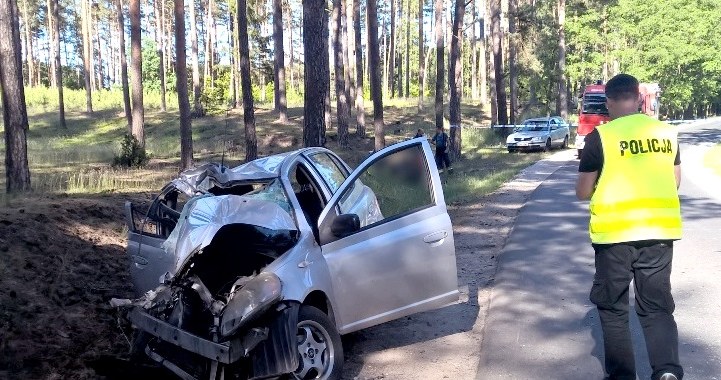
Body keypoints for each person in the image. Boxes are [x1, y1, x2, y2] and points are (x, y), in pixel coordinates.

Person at [576, 74, 683, 380]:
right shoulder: (666, 133)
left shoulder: (601, 137)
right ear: (638, 99)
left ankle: (622, 376)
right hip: (659, 234)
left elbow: (583, 191)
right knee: (657, 307)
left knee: (613, 310)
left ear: (608, 102)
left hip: (614, 238)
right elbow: (674, 181)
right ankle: (667, 372)